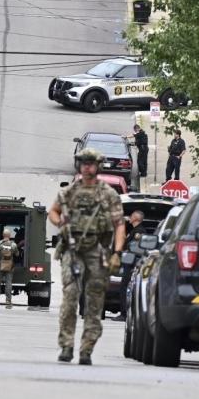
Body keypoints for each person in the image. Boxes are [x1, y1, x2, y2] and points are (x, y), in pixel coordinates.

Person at [49, 148, 125, 366]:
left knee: (94, 301)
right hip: (72, 249)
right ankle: (67, 345)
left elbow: (120, 224)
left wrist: (117, 253)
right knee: (70, 295)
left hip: (96, 249)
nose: (87, 167)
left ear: (98, 166)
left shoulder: (107, 194)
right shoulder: (69, 192)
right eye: (83, 163)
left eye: (91, 163)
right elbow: (52, 211)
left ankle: (86, 349)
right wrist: (60, 221)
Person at [116, 210, 146, 321]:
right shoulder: (133, 231)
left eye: (132, 216)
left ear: (136, 218)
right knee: (124, 287)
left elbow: (135, 249)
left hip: (132, 263)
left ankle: (124, 314)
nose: (129, 217)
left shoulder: (139, 231)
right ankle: (124, 312)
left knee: (125, 287)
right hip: (128, 262)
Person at [0, 228, 19, 308]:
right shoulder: (13, 245)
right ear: (9, 236)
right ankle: (8, 301)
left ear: (3, 235)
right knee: (8, 282)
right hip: (9, 265)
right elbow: (17, 254)